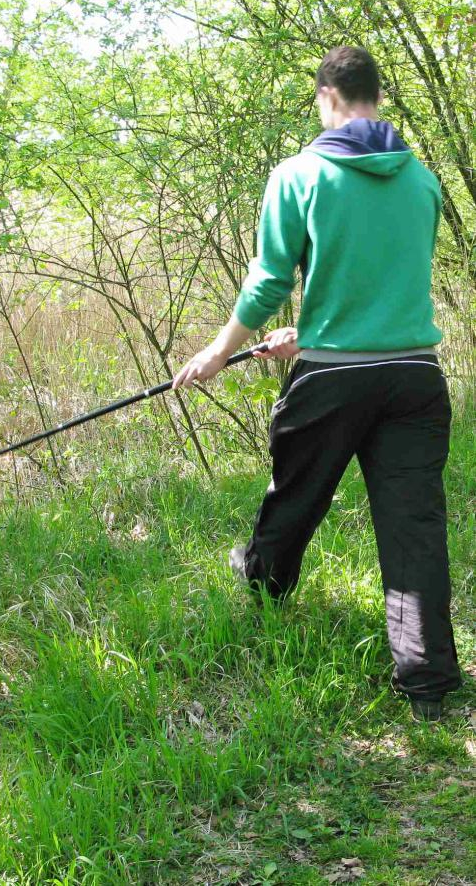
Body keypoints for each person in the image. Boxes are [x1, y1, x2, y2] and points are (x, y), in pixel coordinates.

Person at [172, 46, 461, 723]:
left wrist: (219, 351)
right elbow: (384, 282)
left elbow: (270, 278)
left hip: (334, 380)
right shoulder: (421, 181)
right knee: (413, 526)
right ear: (377, 98)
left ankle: (262, 596)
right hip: (415, 375)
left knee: (295, 495)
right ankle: (428, 687)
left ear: (326, 99)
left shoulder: (299, 173)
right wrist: (310, 331)